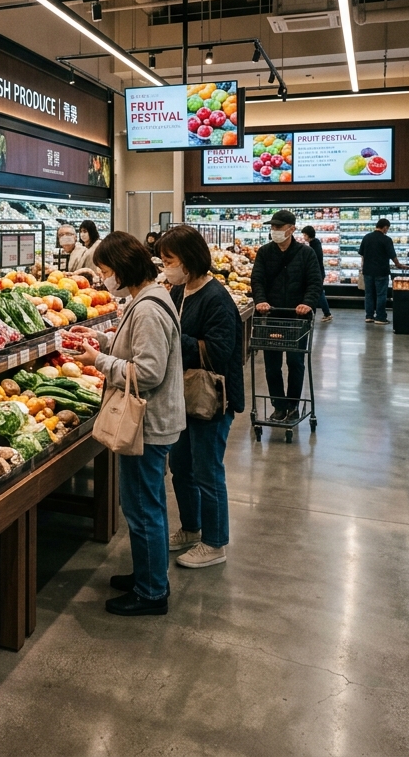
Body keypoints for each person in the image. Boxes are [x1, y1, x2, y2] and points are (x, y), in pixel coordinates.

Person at [77, 231, 185, 616]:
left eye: (106, 271)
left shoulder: (149, 308)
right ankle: (147, 574)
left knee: (143, 508)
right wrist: (101, 341)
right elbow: (135, 348)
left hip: (147, 424)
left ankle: (152, 592)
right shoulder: (146, 298)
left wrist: (99, 362)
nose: (104, 278)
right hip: (150, 421)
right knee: (143, 504)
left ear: (123, 269)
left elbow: (148, 372)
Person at [157, 225, 244, 570]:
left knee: (208, 471)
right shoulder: (179, 290)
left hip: (211, 400)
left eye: (170, 260)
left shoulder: (216, 297)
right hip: (183, 396)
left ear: (189, 259)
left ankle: (215, 542)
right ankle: (191, 528)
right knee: (181, 467)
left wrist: (173, 337)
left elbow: (221, 351)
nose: (166, 267)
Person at [250, 209, 322, 421]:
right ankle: (278, 405)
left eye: (278, 227)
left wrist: (307, 303)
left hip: (297, 318)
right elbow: (257, 279)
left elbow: (315, 282)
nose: (274, 230)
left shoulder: (306, 254)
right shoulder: (265, 252)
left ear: (291, 229)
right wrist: (260, 300)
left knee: (295, 362)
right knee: (272, 365)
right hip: (271, 316)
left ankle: (293, 405)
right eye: (272, 227)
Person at [359, 218, 408, 325]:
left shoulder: (366, 237)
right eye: (387, 229)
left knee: (369, 294)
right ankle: (380, 317)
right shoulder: (386, 240)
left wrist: (363, 267)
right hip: (381, 271)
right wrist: (399, 265)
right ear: (385, 227)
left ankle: (369, 316)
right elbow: (393, 255)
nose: (387, 231)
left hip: (367, 271)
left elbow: (362, 255)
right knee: (381, 294)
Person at [301, 226, 332, 323]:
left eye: (304, 235)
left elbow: (315, 261)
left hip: (318, 273)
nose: (303, 237)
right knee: (319, 292)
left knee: (319, 293)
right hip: (319, 272)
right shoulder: (314, 243)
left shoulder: (314, 246)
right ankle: (326, 313)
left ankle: (327, 313)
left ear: (308, 235)